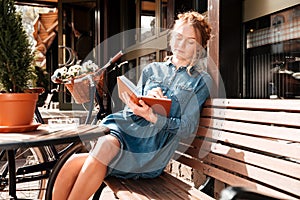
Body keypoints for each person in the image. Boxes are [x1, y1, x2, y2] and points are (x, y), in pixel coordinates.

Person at [52, 11, 212, 200]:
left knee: (83, 159)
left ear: (200, 47)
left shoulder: (200, 81)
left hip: (149, 152)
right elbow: (132, 110)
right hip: (126, 132)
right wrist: (140, 103)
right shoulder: (152, 70)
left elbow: (187, 129)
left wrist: (154, 116)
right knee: (72, 161)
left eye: (191, 41)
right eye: (178, 37)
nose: (182, 44)